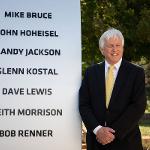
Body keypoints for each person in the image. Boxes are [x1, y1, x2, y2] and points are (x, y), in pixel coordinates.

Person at [79, 28, 147, 150]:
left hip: (126, 141)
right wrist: (98, 130)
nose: (115, 49)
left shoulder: (136, 73)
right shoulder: (91, 73)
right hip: (96, 142)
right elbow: (84, 104)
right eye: (110, 46)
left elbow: (138, 105)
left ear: (122, 48)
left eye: (118, 45)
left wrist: (111, 134)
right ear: (102, 50)